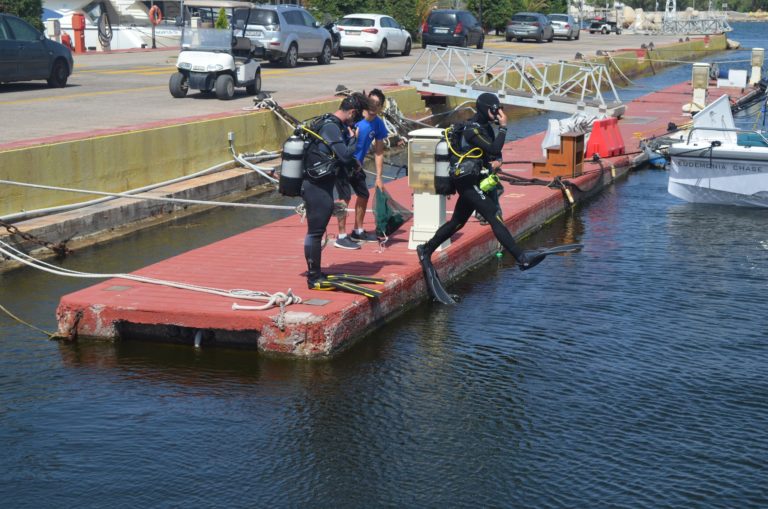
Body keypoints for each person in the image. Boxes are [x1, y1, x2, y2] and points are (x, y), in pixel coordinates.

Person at [417, 93, 553, 303]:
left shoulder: (487, 128)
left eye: (499, 110)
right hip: (464, 180)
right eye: (494, 110)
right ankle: (521, 258)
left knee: (457, 222)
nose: (498, 114)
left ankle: (426, 249)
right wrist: (504, 127)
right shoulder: (472, 129)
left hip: (475, 180)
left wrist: (494, 162)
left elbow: (492, 154)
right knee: (491, 215)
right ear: (485, 109)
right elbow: (493, 148)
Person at [302, 93, 369, 289]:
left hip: (320, 184)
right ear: (352, 112)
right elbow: (345, 156)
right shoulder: (331, 127)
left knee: (318, 230)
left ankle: (317, 272)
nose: (356, 122)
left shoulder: (331, 124)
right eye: (357, 117)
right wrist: (354, 140)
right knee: (315, 232)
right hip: (315, 186)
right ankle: (313, 278)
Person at [332, 89, 390, 248]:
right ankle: (341, 236)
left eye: (377, 104)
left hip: (357, 166)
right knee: (345, 197)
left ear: (380, 107)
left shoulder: (378, 123)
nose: (373, 107)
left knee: (363, 194)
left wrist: (379, 176)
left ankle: (358, 230)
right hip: (343, 162)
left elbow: (379, 152)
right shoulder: (355, 119)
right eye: (371, 103)